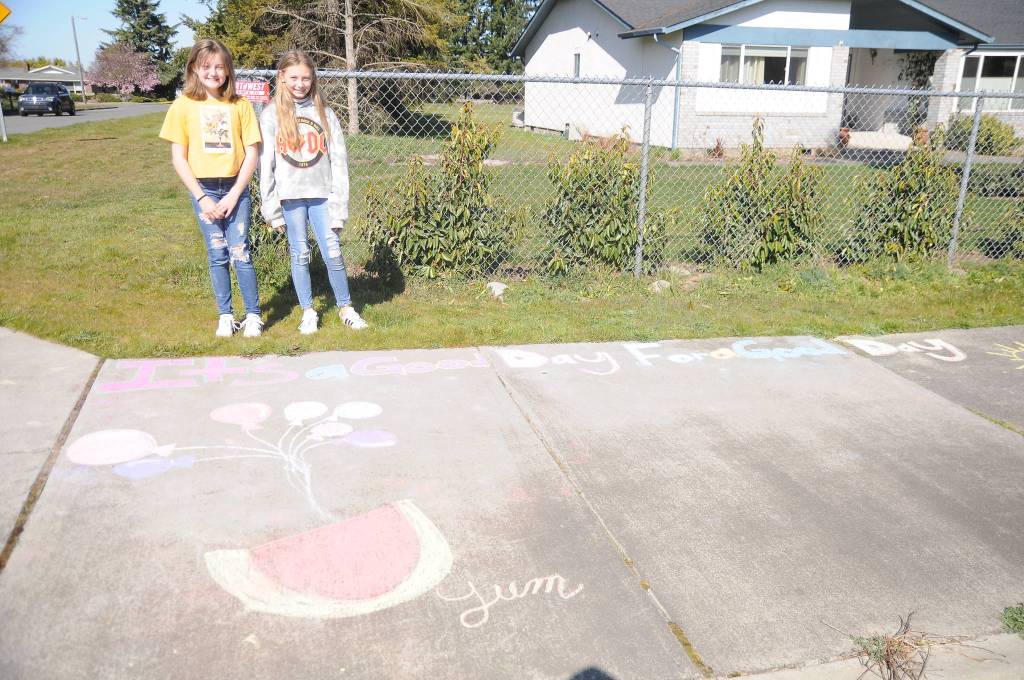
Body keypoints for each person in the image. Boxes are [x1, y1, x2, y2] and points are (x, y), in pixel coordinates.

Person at [159, 38, 264, 338]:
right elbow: (178, 157)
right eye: (207, 67)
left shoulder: (240, 105)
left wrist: (234, 194)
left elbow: (252, 153)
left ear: (229, 71)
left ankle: (254, 315)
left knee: (240, 251)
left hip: (236, 190)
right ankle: (226, 315)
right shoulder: (183, 106)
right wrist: (202, 197)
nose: (214, 73)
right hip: (204, 191)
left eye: (220, 67)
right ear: (194, 68)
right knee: (217, 253)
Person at [259, 50, 368, 335]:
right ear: (282, 77)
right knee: (300, 254)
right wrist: (271, 209)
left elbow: (340, 162)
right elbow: (266, 165)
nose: (300, 83)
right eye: (294, 77)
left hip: (322, 196)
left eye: (306, 78)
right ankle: (308, 311)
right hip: (290, 198)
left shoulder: (325, 114)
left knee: (333, 251)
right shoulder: (271, 115)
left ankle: (346, 306)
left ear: (313, 79)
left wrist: (339, 206)